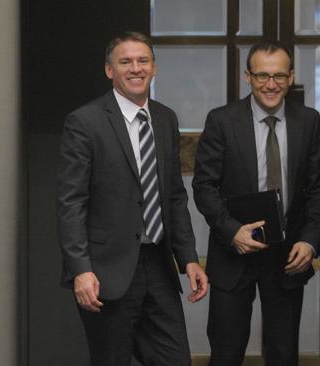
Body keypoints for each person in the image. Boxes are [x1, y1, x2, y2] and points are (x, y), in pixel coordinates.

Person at [56, 31, 208, 366]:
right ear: (110, 70)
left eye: (143, 61)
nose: (135, 68)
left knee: (176, 360)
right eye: (125, 62)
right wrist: (80, 269)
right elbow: (71, 204)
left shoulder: (165, 119)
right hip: (106, 270)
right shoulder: (85, 122)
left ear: (154, 68)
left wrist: (189, 258)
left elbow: (174, 197)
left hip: (158, 265)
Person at [192, 40, 320, 366]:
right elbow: (204, 187)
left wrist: (311, 242)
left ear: (291, 76)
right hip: (233, 254)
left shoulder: (308, 121)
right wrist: (231, 231)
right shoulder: (221, 121)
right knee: (226, 353)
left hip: (288, 256)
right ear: (248, 76)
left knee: (283, 354)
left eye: (279, 76)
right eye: (262, 76)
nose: (271, 85)